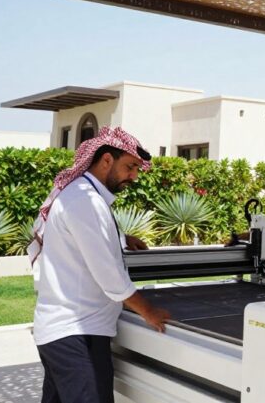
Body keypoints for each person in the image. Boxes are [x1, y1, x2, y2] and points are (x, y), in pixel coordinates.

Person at [29, 127, 170, 403]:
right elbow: (110, 276)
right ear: (106, 160)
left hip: (63, 334)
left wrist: (122, 238)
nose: (134, 176)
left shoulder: (82, 194)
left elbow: (82, 237)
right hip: (77, 335)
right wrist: (148, 311)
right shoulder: (85, 201)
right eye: (130, 167)